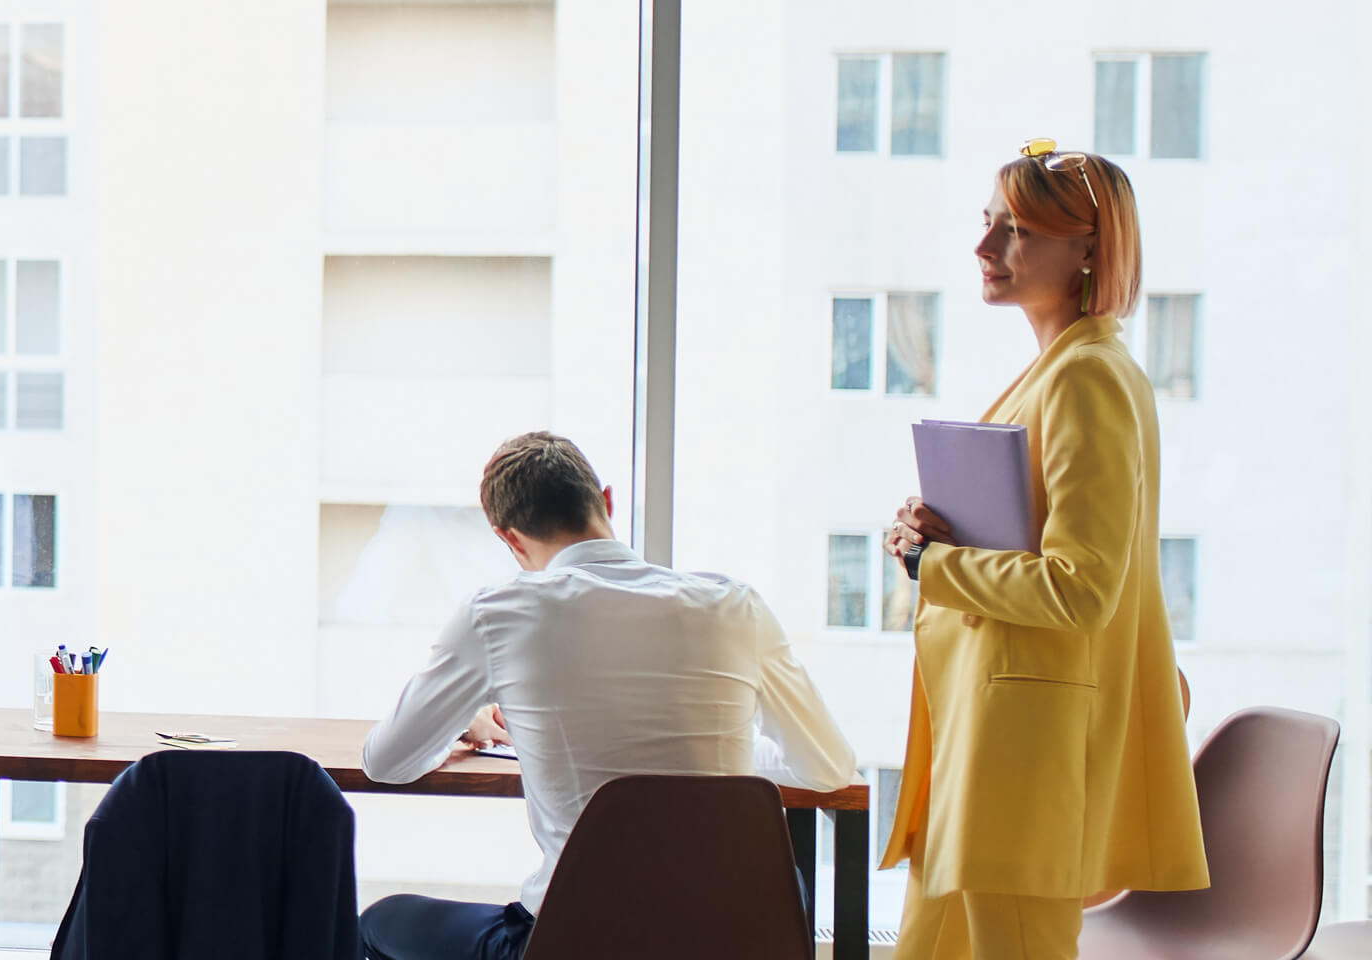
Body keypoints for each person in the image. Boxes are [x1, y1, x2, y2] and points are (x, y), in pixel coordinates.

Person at [874, 140, 1205, 960]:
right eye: (988, 224)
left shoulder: (1086, 378)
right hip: (987, 745)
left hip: (1022, 758)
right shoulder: (1061, 371)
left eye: (1015, 230)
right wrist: (939, 533)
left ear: (1088, 248)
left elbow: (1082, 588)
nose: (985, 248)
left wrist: (934, 566)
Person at [355, 432, 856, 960]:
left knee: (380, 921)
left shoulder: (499, 614)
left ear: (509, 539)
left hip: (570, 940)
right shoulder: (735, 607)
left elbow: (386, 762)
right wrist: (718, 758)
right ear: (607, 500)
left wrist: (467, 727)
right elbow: (827, 767)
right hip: (731, 938)